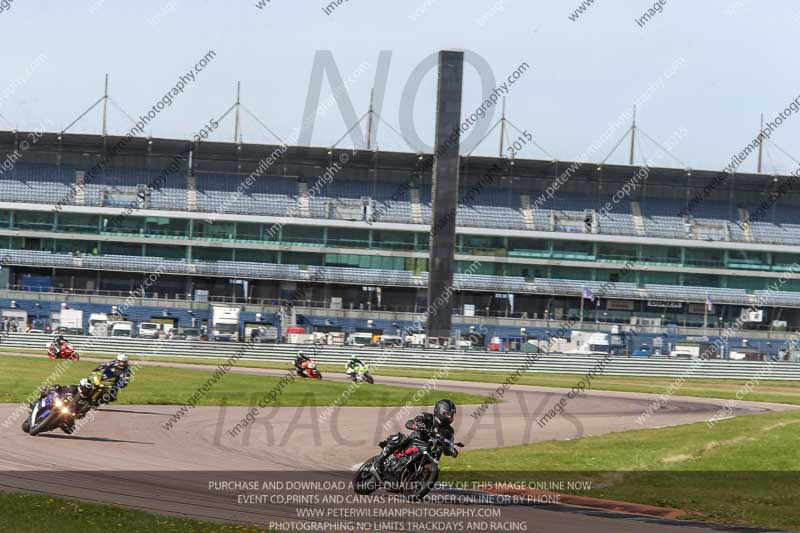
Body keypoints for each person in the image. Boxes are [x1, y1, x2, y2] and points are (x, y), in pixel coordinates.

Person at [373, 399, 458, 473]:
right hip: (414, 442)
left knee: (436, 457)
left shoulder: (449, 430)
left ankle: (418, 480)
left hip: (429, 451)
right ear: (439, 411)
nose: (450, 417)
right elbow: (409, 423)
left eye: (452, 414)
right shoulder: (426, 416)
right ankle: (379, 460)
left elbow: (448, 443)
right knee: (401, 438)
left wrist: (451, 449)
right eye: (448, 414)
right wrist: (416, 425)